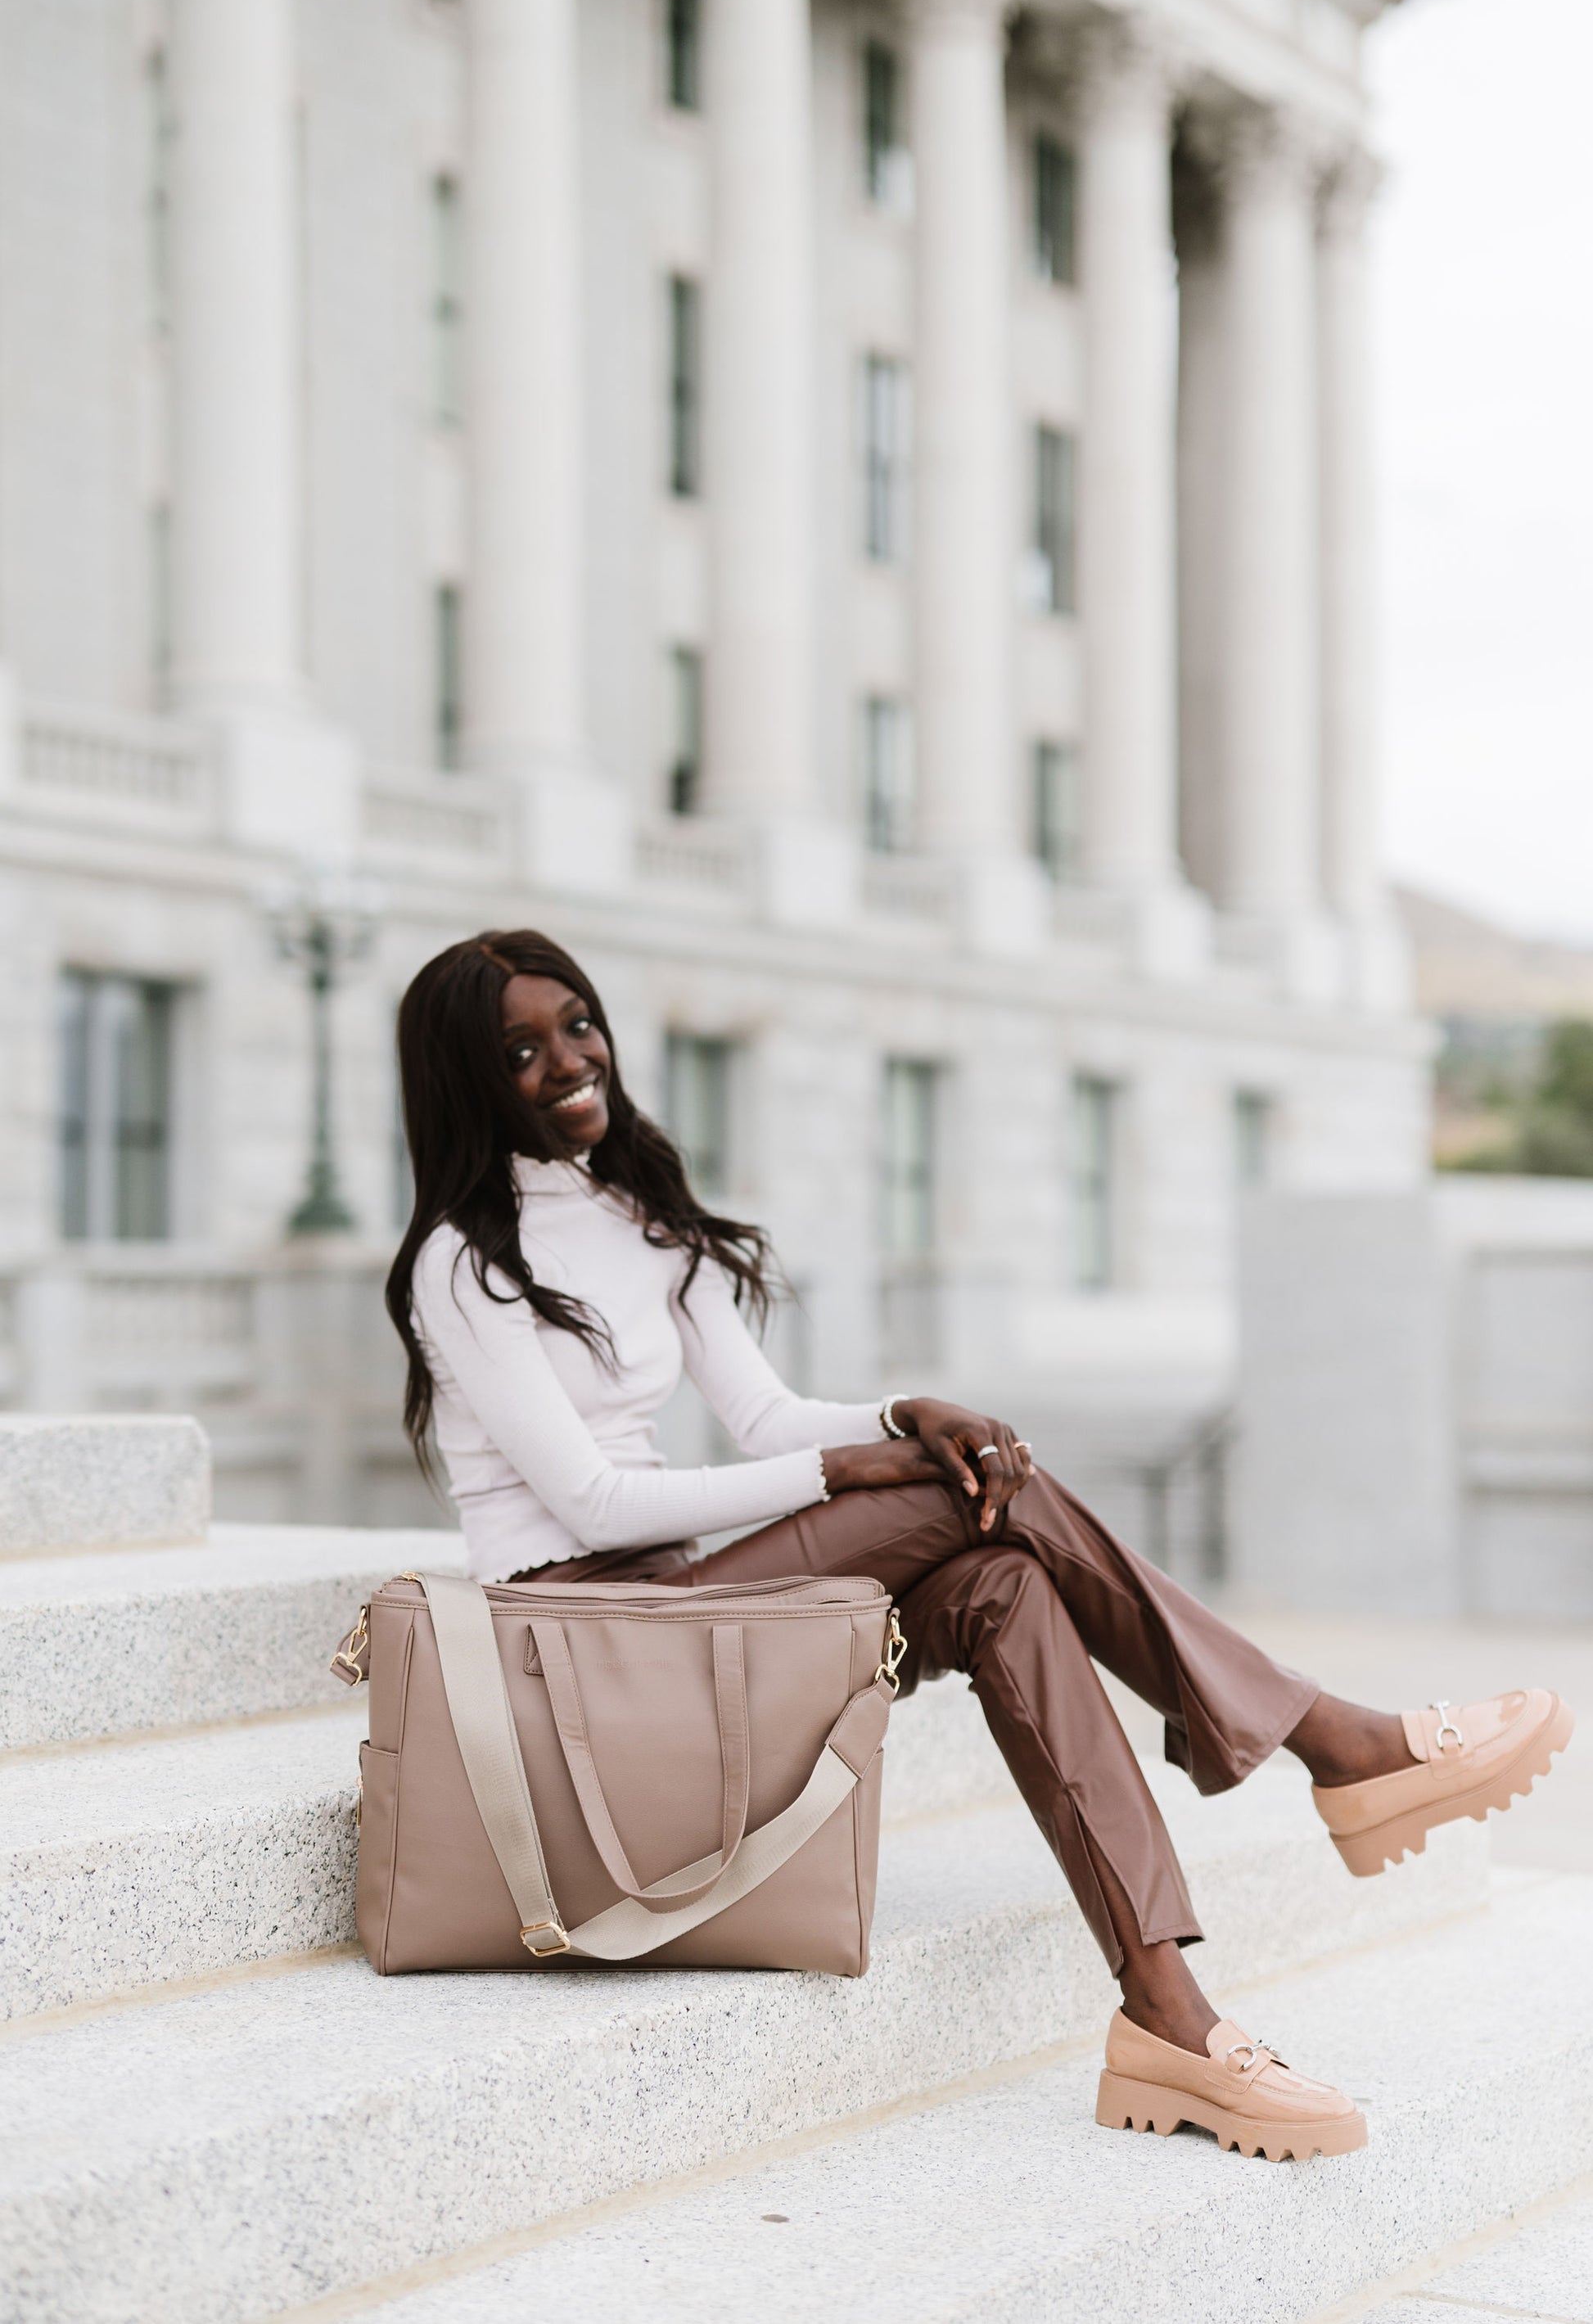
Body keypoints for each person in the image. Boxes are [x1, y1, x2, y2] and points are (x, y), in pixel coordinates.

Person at [387, 927, 1574, 2164]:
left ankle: (1169, 2011)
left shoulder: (642, 1220)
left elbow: (765, 1417)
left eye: (577, 1024)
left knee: (1001, 1576)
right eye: (519, 1049)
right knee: (975, 1501)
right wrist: (853, 1467)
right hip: (584, 1637)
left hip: (690, 1602)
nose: (568, 1061)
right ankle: (1335, 1740)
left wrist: (904, 1414)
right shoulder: (460, 1265)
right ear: (467, 1080)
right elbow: (586, 1503)